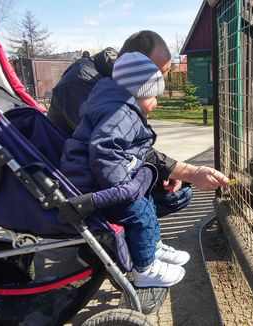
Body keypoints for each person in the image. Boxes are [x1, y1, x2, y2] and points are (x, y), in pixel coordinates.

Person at [48, 30, 229, 221]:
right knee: (168, 196)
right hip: (76, 181)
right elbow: (113, 149)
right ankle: (110, 241)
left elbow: (132, 143)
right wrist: (187, 172)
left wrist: (168, 171)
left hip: (104, 169)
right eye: (155, 78)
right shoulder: (85, 85)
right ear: (135, 65)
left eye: (163, 76)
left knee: (180, 191)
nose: (159, 88)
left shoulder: (119, 80)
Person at [61, 52, 190, 287]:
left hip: (98, 179)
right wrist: (122, 188)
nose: (157, 103)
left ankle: (153, 247)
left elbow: (126, 151)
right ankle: (145, 268)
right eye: (154, 97)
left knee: (147, 200)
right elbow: (104, 152)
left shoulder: (118, 106)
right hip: (94, 185)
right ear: (139, 93)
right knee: (139, 212)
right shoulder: (119, 113)